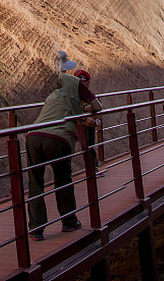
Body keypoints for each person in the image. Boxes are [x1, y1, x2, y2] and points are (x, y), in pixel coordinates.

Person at [25, 53, 99, 238]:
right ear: (66, 68)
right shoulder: (76, 82)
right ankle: (69, 222)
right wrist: (85, 108)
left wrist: (79, 108)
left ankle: (36, 229)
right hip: (59, 136)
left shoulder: (49, 83)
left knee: (35, 182)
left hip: (34, 134)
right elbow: (98, 107)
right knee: (63, 179)